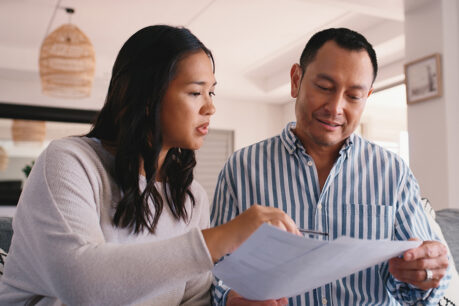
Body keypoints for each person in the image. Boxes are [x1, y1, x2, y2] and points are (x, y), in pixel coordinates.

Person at [0, 25, 298, 305]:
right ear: (145, 96)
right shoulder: (68, 162)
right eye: (196, 92)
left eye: (211, 92)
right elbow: (81, 287)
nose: (210, 107)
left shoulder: (191, 197)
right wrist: (222, 237)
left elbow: (192, 300)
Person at [211, 28, 451, 305]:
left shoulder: (392, 173)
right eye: (324, 88)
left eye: (353, 96)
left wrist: (426, 274)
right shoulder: (242, 169)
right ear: (295, 80)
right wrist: (229, 298)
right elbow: (215, 273)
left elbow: (430, 280)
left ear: (367, 97)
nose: (336, 107)